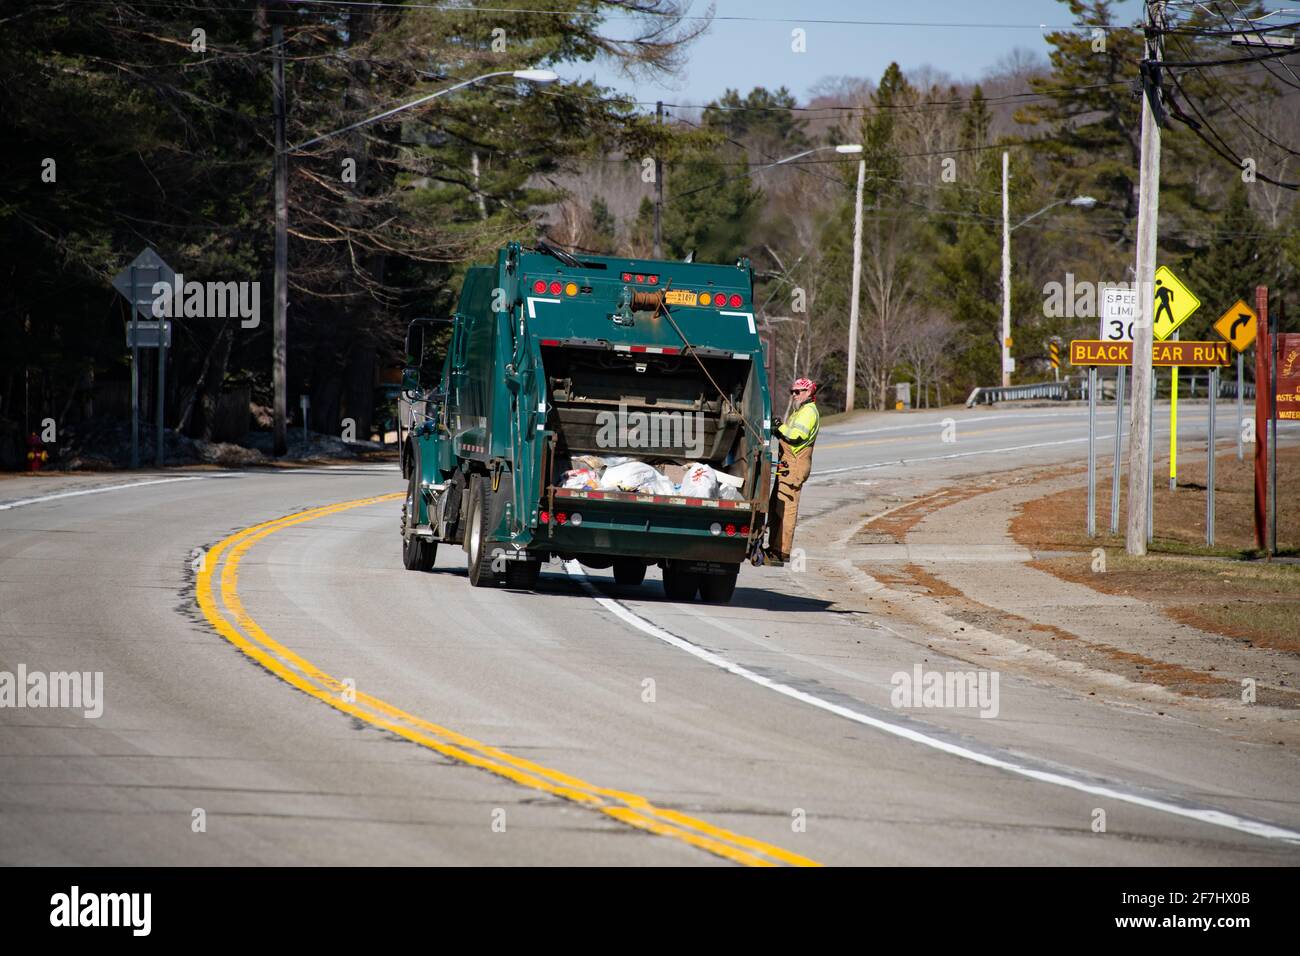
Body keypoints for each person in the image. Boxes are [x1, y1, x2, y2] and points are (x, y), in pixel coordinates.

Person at [761, 378, 820, 566]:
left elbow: (795, 437)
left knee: (786, 510)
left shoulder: (809, 412)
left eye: (798, 391)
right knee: (776, 507)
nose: (794, 395)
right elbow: (786, 434)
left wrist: (780, 427)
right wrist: (776, 429)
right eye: (792, 392)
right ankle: (774, 547)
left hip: (794, 467)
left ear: (809, 393)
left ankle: (781, 551)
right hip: (787, 465)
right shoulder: (800, 411)